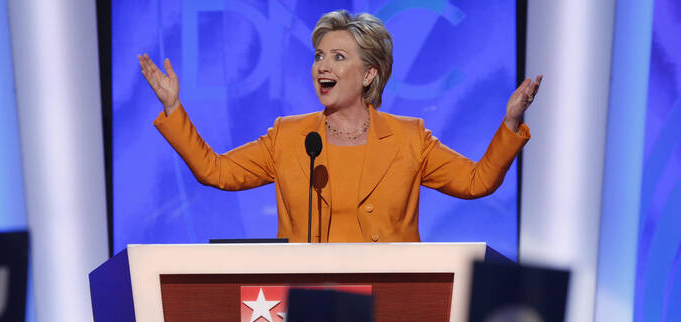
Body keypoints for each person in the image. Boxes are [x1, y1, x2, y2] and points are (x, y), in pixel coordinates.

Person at [138, 10, 541, 243]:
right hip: (306, 309)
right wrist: (174, 108)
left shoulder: (409, 138)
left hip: (392, 303)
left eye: (338, 56)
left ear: (369, 74)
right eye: (319, 56)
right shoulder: (289, 137)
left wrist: (510, 122)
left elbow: (476, 182)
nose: (323, 66)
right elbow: (217, 171)